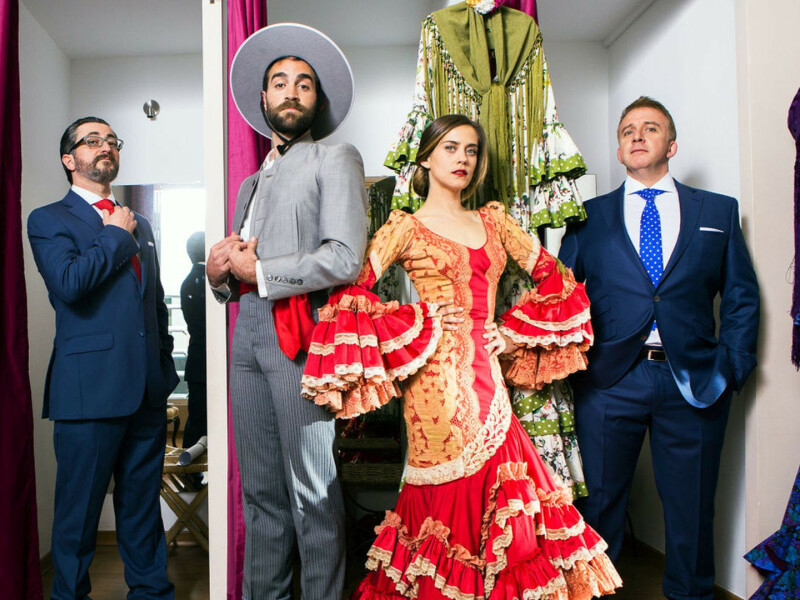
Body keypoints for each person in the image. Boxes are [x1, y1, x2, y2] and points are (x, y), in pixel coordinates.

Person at [301, 114, 622, 599]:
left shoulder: (493, 221)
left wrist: (511, 335)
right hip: (433, 389)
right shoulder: (405, 227)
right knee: (442, 509)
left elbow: (556, 279)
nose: (462, 159)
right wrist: (420, 319)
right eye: (450, 148)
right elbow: (351, 297)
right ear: (426, 158)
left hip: (489, 382)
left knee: (507, 508)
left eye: (471, 150)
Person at [558, 96, 760, 599]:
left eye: (650, 128)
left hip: (695, 380)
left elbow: (741, 296)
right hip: (608, 381)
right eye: (628, 130)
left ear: (671, 145)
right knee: (599, 504)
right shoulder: (588, 217)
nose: (637, 135)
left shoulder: (717, 211)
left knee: (692, 507)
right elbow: (561, 297)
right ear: (619, 149)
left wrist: (733, 365)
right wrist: (571, 367)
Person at [207, 24, 367, 599]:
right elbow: (241, 268)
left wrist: (264, 272)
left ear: (317, 101)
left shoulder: (336, 157)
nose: (291, 92)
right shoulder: (249, 183)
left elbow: (345, 257)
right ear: (263, 98)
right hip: (247, 333)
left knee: (313, 493)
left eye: (304, 84)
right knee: (260, 494)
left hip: (300, 334)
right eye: (280, 83)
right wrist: (219, 274)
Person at [27, 117, 178, 600]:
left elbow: (153, 303)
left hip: (147, 393)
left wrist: (163, 369)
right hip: (87, 393)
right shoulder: (48, 219)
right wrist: (113, 235)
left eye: (112, 140)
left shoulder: (141, 223)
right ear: (69, 159)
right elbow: (70, 284)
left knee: (142, 511)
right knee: (78, 516)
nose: (105, 146)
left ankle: (151, 593)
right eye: (92, 141)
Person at [180, 231, 207, 450]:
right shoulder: (213, 281)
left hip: (196, 358)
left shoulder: (187, 283)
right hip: (214, 358)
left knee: (197, 417)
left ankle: (190, 465)